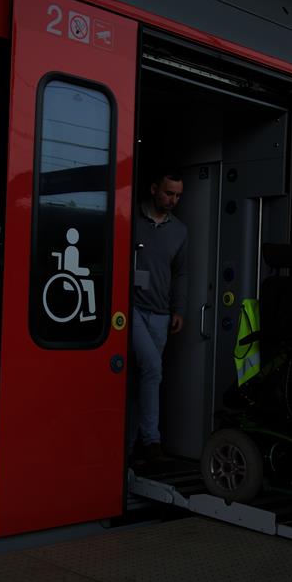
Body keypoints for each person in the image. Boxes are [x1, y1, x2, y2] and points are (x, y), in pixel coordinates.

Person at [131, 172, 187, 462]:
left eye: (178, 195)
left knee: (143, 379)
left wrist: (179, 309)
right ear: (154, 189)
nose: (173, 200)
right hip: (132, 310)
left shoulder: (180, 230)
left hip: (161, 314)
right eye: (168, 193)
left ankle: (128, 446)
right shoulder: (130, 217)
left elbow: (180, 274)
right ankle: (152, 442)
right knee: (152, 369)